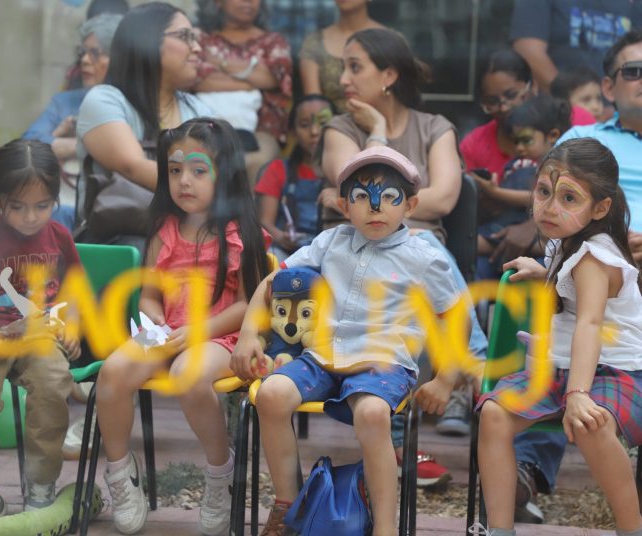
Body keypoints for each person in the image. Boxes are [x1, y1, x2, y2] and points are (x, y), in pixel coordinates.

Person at [231, 146, 462, 535]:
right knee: (270, 395)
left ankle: (385, 527)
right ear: (344, 205)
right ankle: (289, 508)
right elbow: (273, 281)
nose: (375, 208)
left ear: (410, 205)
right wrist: (249, 334)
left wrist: (445, 378)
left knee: (371, 413)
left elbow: (454, 317)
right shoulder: (330, 241)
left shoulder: (424, 258)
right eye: (361, 197)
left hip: (382, 363)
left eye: (390, 197)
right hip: (322, 357)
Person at [318, 26, 484, 484]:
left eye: (355, 67)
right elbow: (357, 190)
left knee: (420, 250)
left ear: (388, 75)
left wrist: (394, 210)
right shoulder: (340, 129)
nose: (343, 79)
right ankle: (471, 366)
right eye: (342, 68)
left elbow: (446, 198)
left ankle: (400, 441)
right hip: (351, 257)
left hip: (418, 258)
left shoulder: (435, 127)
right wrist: (376, 132)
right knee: (417, 251)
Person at [94, 118, 270, 535]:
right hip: (168, 331)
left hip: (221, 337)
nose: (184, 181)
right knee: (112, 373)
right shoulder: (164, 230)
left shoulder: (242, 233)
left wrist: (198, 332)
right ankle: (121, 473)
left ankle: (220, 473)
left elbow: (250, 305)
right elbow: (149, 294)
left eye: (198, 170)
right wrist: (153, 313)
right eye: (175, 170)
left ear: (225, 174)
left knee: (187, 374)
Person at [473, 137, 642, 536]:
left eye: (569, 198)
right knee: (494, 415)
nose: (550, 207)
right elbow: (566, 284)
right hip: (562, 369)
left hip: (613, 371)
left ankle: (631, 528)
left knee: (590, 424)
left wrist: (578, 394)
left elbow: (589, 324)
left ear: (600, 208)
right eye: (544, 192)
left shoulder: (594, 258)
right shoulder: (564, 241)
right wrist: (543, 271)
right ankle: (499, 530)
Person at [0, 139, 80, 516]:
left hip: (38, 334)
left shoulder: (59, 238)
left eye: (42, 206)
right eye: (18, 206)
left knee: (53, 386)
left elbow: (74, 287)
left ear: (55, 197)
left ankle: (41, 478)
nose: (30, 217)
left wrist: (71, 323)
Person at [75, 2, 212, 248]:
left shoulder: (198, 109)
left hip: (187, 234)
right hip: (117, 239)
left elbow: (221, 168)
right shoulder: (105, 99)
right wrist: (210, 188)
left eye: (195, 38)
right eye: (185, 37)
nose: (197, 47)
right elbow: (133, 166)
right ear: (147, 41)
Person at [23, 13, 122, 230]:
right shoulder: (65, 103)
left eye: (95, 53)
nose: (84, 60)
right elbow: (26, 146)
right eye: (82, 52)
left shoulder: (132, 106)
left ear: (119, 58)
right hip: (60, 211)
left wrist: (57, 144)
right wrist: (82, 145)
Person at [557, 30, 642, 265]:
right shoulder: (581, 139)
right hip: (602, 265)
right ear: (609, 88)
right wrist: (611, 243)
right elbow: (553, 211)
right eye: (634, 71)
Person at [194, 0, 292, 183]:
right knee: (200, 160)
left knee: (255, 162)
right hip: (206, 127)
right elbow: (196, 80)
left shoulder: (273, 41)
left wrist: (220, 64)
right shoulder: (200, 39)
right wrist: (252, 78)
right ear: (218, 2)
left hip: (261, 130)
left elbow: (272, 79)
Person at [476, 95, 572, 276]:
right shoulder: (520, 163)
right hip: (509, 227)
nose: (519, 148)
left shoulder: (556, 167)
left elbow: (537, 197)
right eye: (516, 141)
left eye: (526, 140)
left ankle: (487, 243)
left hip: (542, 234)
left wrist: (496, 192)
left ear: (552, 136)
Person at [255, 94, 334, 261]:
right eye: (304, 125)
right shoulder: (277, 169)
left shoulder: (344, 169)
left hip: (332, 252)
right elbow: (265, 222)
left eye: (323, 123)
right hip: (287, 253)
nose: (314, 131)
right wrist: (281, 237)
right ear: (293, 132)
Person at [509, 0, 642, 92]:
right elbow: (528, 52)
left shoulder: (633, 4)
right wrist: (571, 102)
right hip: (559, 113)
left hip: (621, 113)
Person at [299, 0, 384, 113]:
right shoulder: (314, 43)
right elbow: (314, 105)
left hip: (381, 120)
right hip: (328, 122)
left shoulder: (389, 41)